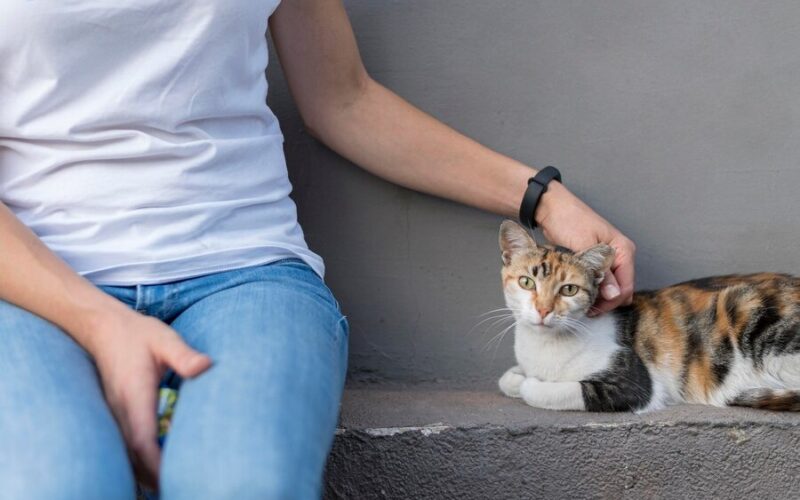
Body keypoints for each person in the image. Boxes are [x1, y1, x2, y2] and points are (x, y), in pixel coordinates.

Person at [0, 1, 636, 498]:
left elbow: (345, 100)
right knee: (60, 486)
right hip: (33, 285)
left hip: (246, 274)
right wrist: (103, 325)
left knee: (245, 488)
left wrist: (544, 201)